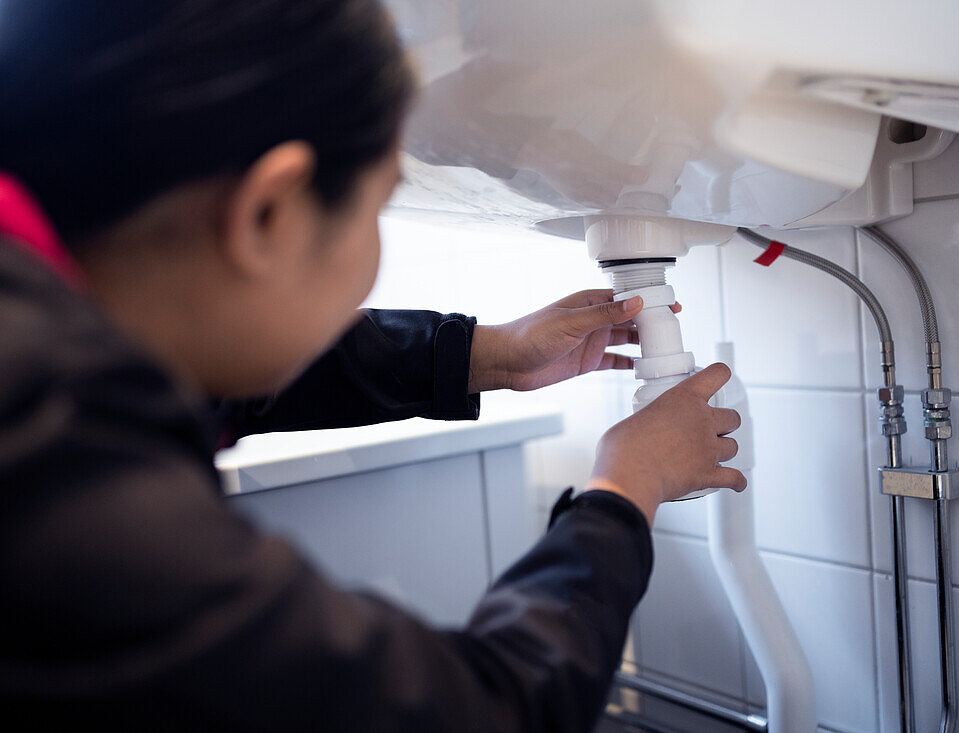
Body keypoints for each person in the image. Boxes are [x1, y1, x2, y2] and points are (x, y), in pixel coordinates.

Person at [0, 1, 746, 730]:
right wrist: (623, 490)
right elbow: (480, 712)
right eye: (378, 209)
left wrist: (484, 357)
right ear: (270, 213)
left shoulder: (44, 328)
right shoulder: (59, 475)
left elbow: (221, 382)